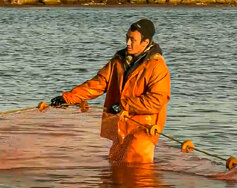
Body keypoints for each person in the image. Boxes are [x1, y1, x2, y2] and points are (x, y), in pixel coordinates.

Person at [50, 19, 170, 163]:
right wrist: (68, 98)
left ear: (145, 43)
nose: (127, 43)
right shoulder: (118, 61)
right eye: (127, 37)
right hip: (120, 127)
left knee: (137, 172)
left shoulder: (157, 66)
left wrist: (124, 105)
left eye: (132, 40)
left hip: (143, 129)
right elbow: (98, 84)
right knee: (115, 166)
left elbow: (156, 101)